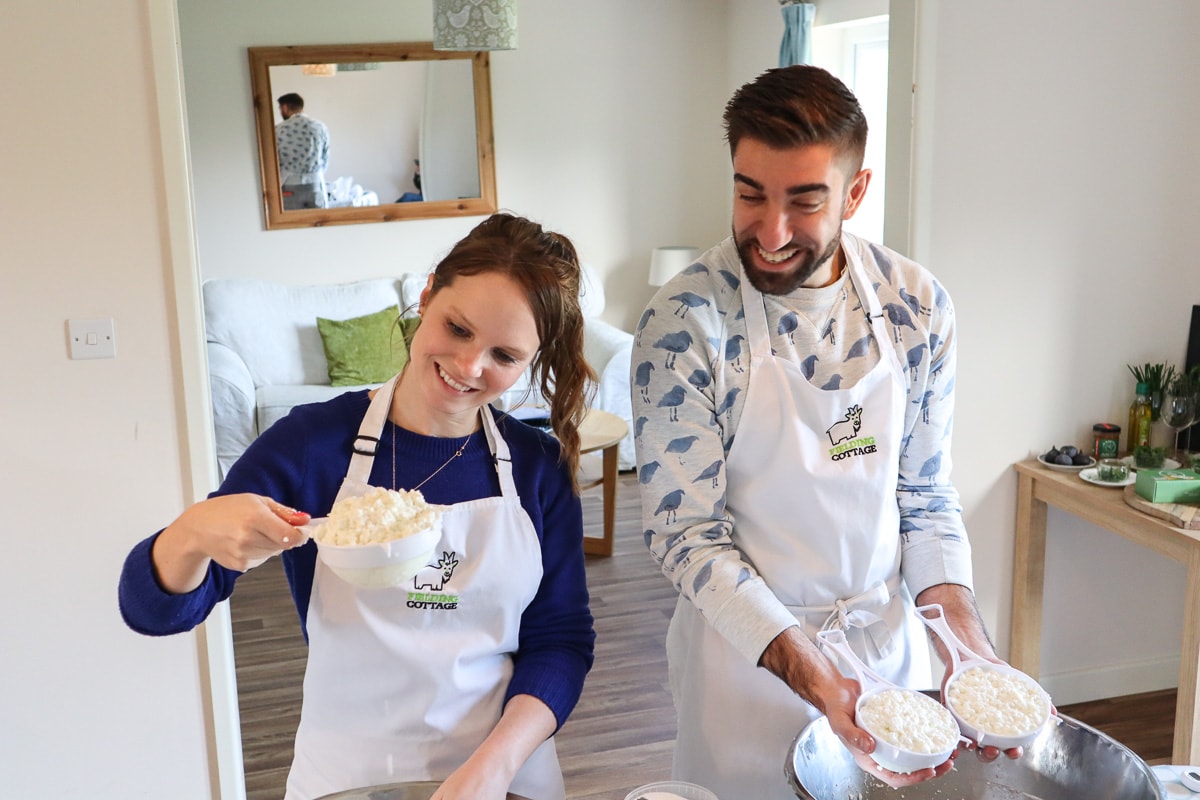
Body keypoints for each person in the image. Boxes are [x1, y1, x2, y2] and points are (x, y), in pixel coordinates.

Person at [631, 65, 1019, 799]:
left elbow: (926, 501)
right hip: (746, 664)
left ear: (856, 192)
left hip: (889, 654)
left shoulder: (918, 308)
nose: (769, 233)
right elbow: (687, 536)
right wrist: (817, 675)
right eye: (749, 193)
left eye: (804, 201)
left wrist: (971, 657)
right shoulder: (684, 325)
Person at [119, 213, 597, 800]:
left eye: (505, 354)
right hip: (348, 776)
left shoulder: (537, 467)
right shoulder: (311, 446)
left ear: (531, 360)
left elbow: (562, 638)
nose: (470, 366)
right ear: (426, 296)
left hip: (505, 773)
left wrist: (492, 768)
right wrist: (191, 535)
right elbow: (152, 611)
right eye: (458, 327)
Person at [276, 92, 330, 209]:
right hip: (315, 184)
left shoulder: (278, 130)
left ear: (285, 107)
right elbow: (325, 158)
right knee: (318, 222)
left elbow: (274, 160)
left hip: (289, 184)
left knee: (292, 223)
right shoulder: (320, 127)